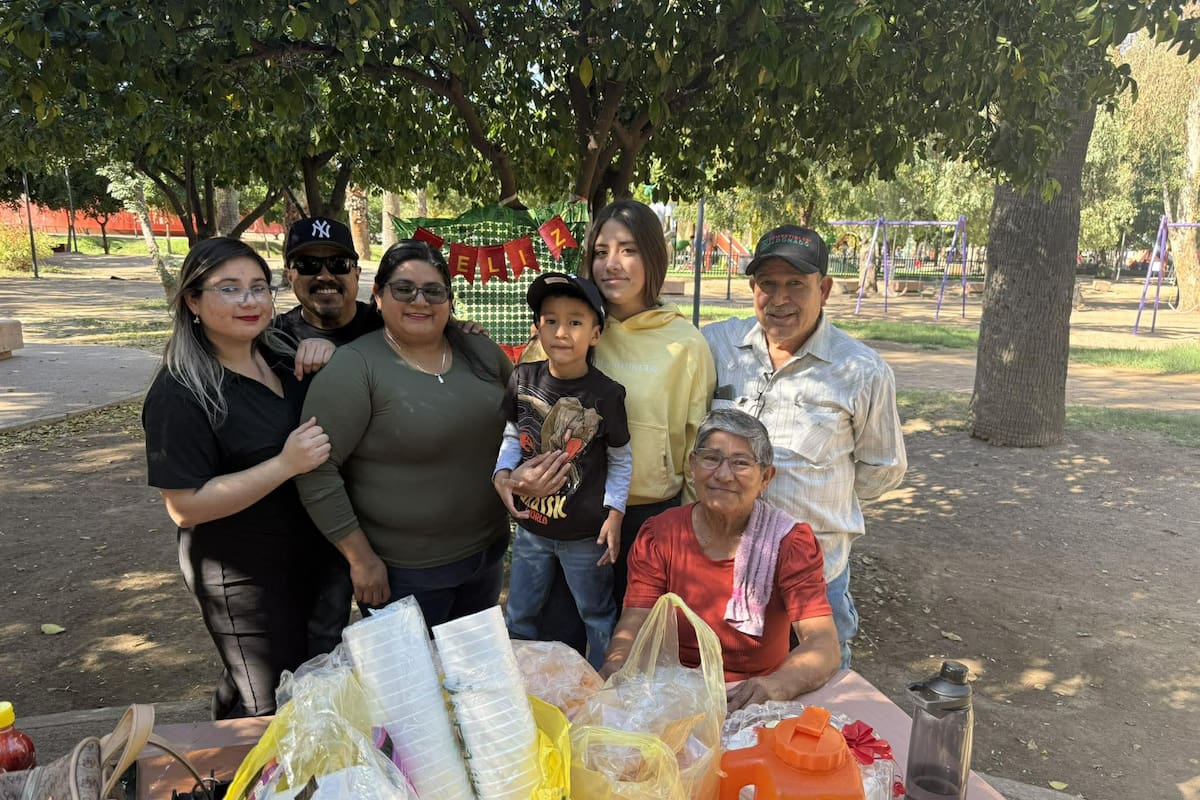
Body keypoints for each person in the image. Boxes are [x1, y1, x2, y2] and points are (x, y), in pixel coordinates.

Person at [501, 200, 715, 647]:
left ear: (653, 257)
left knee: (636, 649)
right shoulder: (569, 325)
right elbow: (527, 409)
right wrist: (517, 476)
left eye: (628, 250)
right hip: (569, 512)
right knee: (562, 639)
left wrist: (692, 534)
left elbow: (697, 443)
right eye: (600, 251)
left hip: (647, 520)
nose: (611, 264)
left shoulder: (686, 344)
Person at [142, 237, 338, 719]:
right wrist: (284, 465)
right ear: (192, 299)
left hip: (309, 557)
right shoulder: (181, 391)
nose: (250, 301)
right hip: (244, 576)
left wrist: (326, 351)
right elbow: (184, 505)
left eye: (258, 287)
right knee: (269, 705)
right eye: (229, 289)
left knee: (298, 682)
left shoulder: (279, 356)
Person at [702, 225, 907, 668]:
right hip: (721, 571)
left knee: (821, 712)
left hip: (816, 579)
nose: (780, 300)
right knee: (729, 707)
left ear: (825, 288)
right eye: (767, 285)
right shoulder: (715, 347)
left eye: (796, 284)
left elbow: (881, 470)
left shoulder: (862, 371)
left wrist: (814, 506)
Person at [295, 239, 514, 626]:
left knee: (474, 678)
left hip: (486, 556)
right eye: (404, 289)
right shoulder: (354, 368)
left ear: (449, 298)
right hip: (404, 574)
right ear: (378, 295)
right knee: (414, 685)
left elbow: (522, 420)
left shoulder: (479, 350)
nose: (420, 301)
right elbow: (316, 470)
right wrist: (360, 559)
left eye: (433, 291)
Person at [601, 409, 839, 711]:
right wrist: (617, 663)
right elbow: (635, 620)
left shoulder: (790, 544)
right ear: (692, 466)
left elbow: (823, 644)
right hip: (671, 693)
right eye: (711, 459)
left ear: (765, 477)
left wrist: (778, 685)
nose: (723, 475)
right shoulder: (659, 534)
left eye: (741, 463)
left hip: (753, 698)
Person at [494, 272, 632, 669]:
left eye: (575, 322)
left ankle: (605, 689)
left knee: (597, 616)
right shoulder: (522, 379)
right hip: (532, 530)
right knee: (519, 614)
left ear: (595, 334)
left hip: (585, 536)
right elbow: (510, 434)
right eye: (550, 320)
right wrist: (502, 475)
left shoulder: (607, 394)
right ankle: (520, 687)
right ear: (537, 328)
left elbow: (621, 458)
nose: (561, 331)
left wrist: (615, 512)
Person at [273, 216, 382, 345]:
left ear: (356, 274)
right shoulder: (273, 340)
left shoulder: (386, 328)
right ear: (290, 277)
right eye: (308, 264)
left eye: (339, 263)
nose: (325, 276)